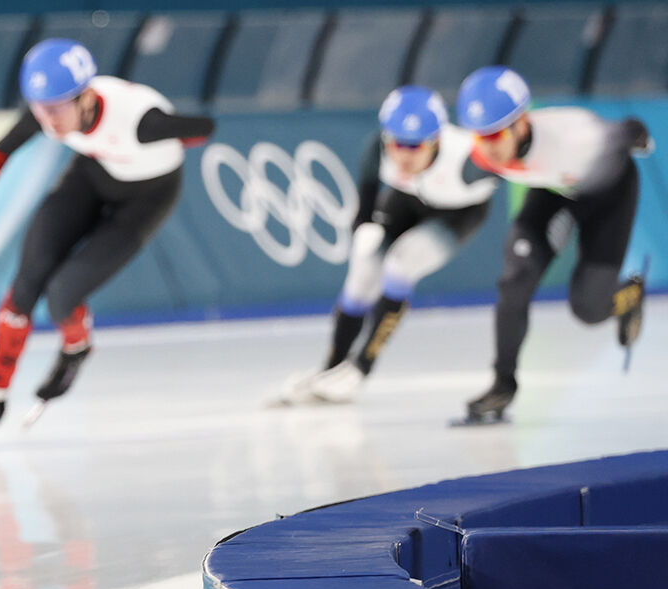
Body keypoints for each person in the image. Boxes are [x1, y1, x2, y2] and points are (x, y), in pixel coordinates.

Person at [0, 38, 214, 443]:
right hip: (94, 175)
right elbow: (0, 152)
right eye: (39, 109)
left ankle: (76, 347)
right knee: (26, 284)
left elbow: (205, 128)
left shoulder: (140, 121)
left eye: (56, 109)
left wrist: (173, 132)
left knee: (62, 295)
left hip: (147, 197)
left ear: (85, 97)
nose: (47, 120)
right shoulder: (48, 110)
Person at [276, 86, 499, 405]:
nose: (403, 155)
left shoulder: (469, 161)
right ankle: (331, 368)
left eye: (414, 146)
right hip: (406, 203)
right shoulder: (377, 148)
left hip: (458, 213)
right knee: (360, 280)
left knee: (400, 265)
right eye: (397, 144)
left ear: (436, 140)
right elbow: (364, 206)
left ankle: (360, 368)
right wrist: (364, 228)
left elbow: (519, 167)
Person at [455, 66, 653, 421]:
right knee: (515, 281)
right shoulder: (483, 151)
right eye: (479, 137)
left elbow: (629, 130)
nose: (488, 148)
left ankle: (631, 295)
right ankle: (503, 385)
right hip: (555, 191)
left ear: (521, 123)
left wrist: (639, 136)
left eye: (495, 135)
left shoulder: (577, 138)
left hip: (609, 195)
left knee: (589, 309)